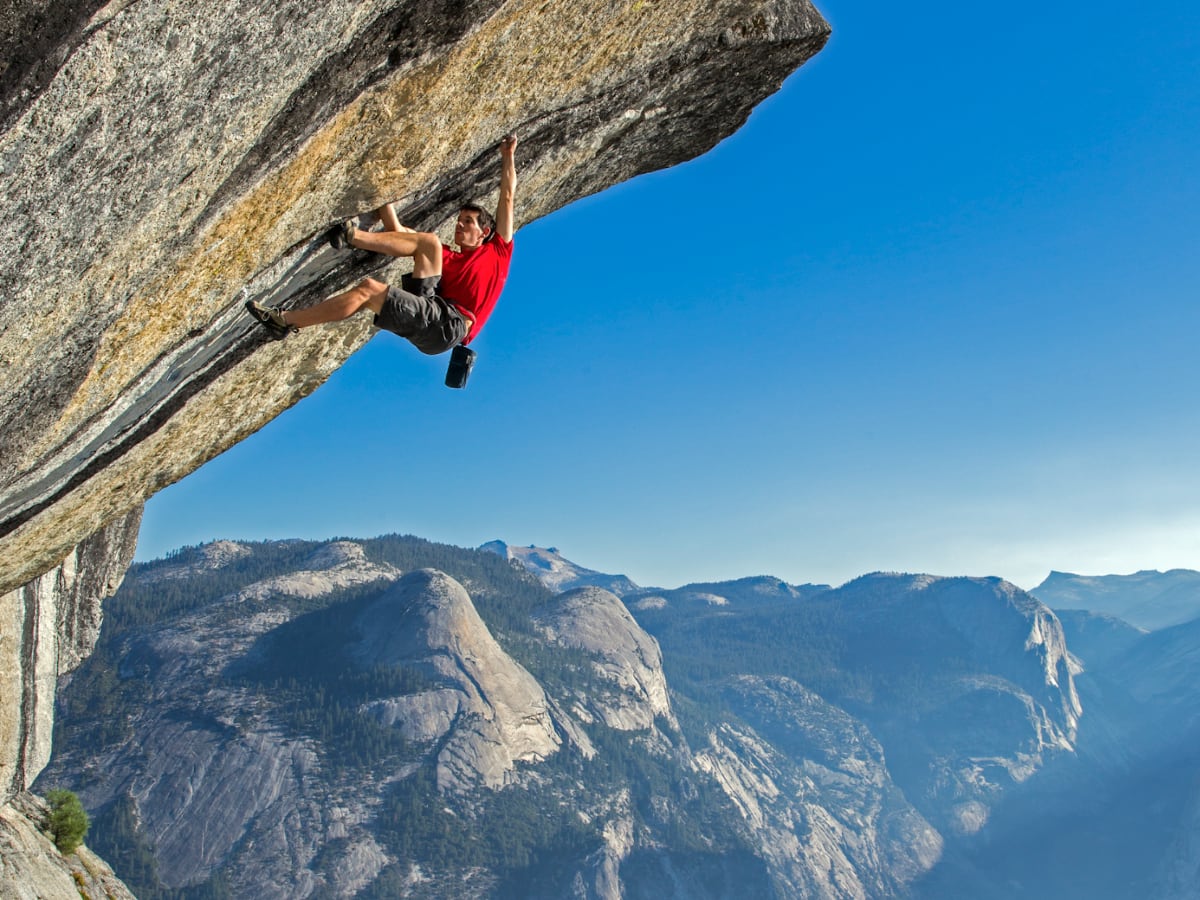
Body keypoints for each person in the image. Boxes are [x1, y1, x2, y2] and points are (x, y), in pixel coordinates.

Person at [248, 135, 517, 355]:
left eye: (467, 222)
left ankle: (286, 321)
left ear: (485, 232)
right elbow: (398, 234)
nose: (459, 225)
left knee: (368, 291)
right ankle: (351, 236)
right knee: (429, 242)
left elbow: (507, 197)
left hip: (447, 326)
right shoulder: (447, 256)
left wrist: (508, 155)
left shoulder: (498, 251)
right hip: (432, 306)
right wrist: (381, 194)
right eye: (459, 220)